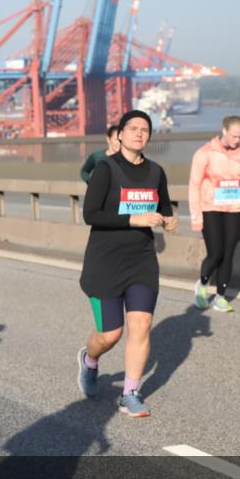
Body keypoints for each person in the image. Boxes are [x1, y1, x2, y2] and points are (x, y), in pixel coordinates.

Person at [76, 109, 177, 418]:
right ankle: (90, 361)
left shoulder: (156, 172)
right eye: (132, 128)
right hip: (105, 261)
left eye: (145, 129)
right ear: (119, 134)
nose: (139, 133)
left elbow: (163, 207)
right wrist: (135, 218)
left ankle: (130, 392)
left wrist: (169, 221)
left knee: (141, 325)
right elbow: (91, 215)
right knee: (110, 334)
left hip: (141, 260)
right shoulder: (105, 169)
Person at [189, 115, 240, 313]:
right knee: (215, 253)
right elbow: (194, 185)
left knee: (228, 255)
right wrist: (196, 217)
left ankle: (221, 298)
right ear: (224, 130)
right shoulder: (205, 153)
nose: (237, 141)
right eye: (234, 136)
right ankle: (203, 284)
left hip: (234, 209)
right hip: (210, 209)